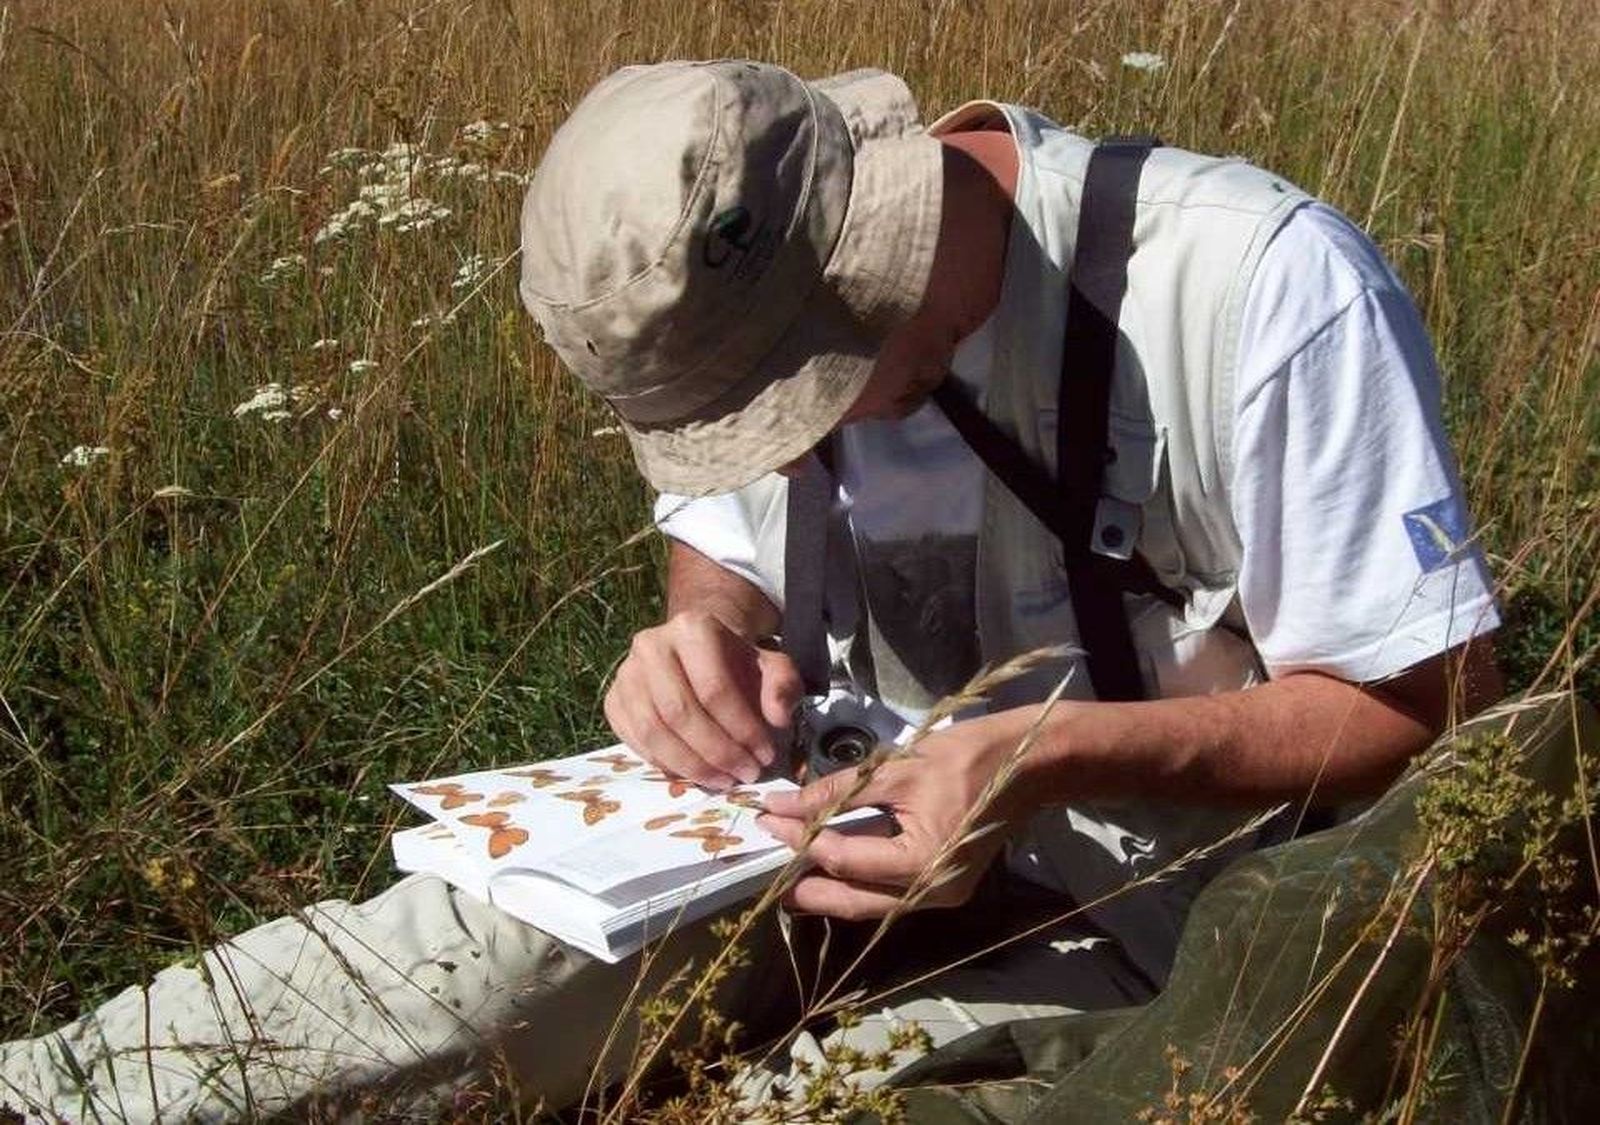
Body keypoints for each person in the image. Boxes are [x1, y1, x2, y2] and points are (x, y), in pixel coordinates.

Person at [1, 59, 1502, 1122]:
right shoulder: (744, 297)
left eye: (798, 398)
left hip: (1138, 910)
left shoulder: (1262, 288)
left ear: (874, 247)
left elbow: (1421, 710)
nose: (787, 439)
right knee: (418, 982)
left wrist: (1041, 758)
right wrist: (703, 639)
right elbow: (719, 555)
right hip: (783, 834)